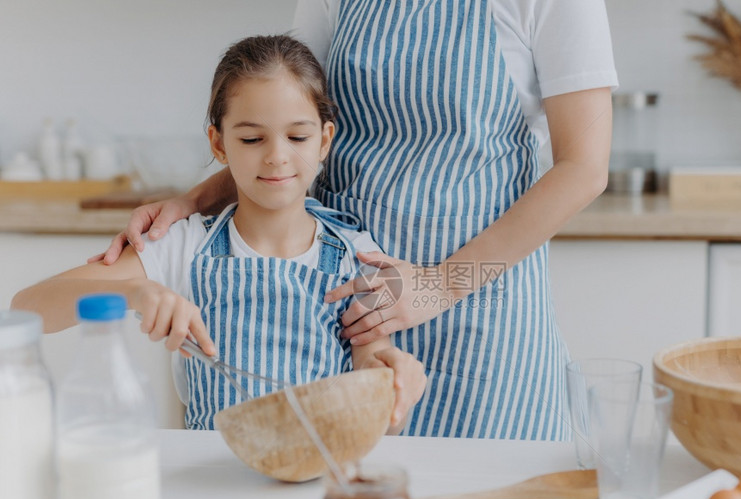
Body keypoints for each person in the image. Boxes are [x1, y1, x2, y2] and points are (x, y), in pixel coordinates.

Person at [94, 0, 618, 440]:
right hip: (344, 313)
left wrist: (438, 286)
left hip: (479, 312)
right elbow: (290, 121)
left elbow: (585, 167)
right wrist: (196, 200)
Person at [13, 34, 426, 432]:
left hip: (317, 487)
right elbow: (27, 308)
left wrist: (393, 388)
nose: (277, 156)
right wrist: (134, 293)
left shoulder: (360, 258)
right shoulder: (182, 245)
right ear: (219, 144)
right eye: (251, 138)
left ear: (324, 140)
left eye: (297, 136)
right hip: (209, 485)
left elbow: (385, 419)